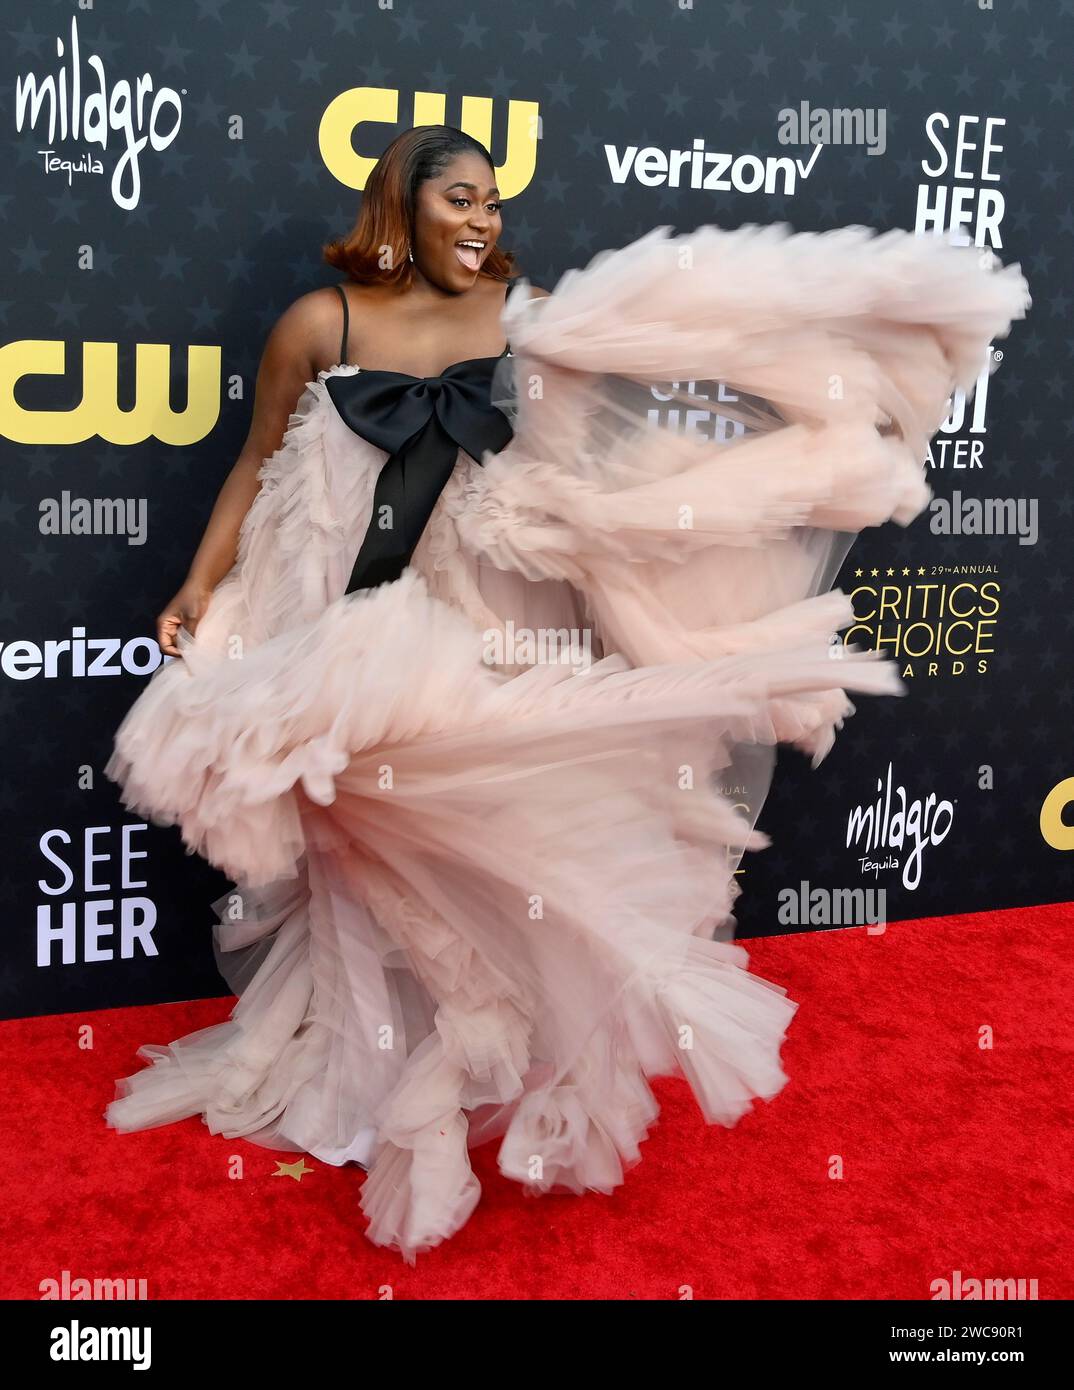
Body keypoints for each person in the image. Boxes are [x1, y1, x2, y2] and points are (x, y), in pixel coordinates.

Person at [103, 124, 1030, 1264]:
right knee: (349, 846)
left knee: (458, 834)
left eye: (493, 201)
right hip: (326, 602)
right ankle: (355, 1073)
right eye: (459, 198)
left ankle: (445, 1058)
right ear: (400, 205)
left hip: (473, 616)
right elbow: (255, 459)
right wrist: (199, 585)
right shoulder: (318, 322)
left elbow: (601, 438)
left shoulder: (524, 315)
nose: (484, 218)